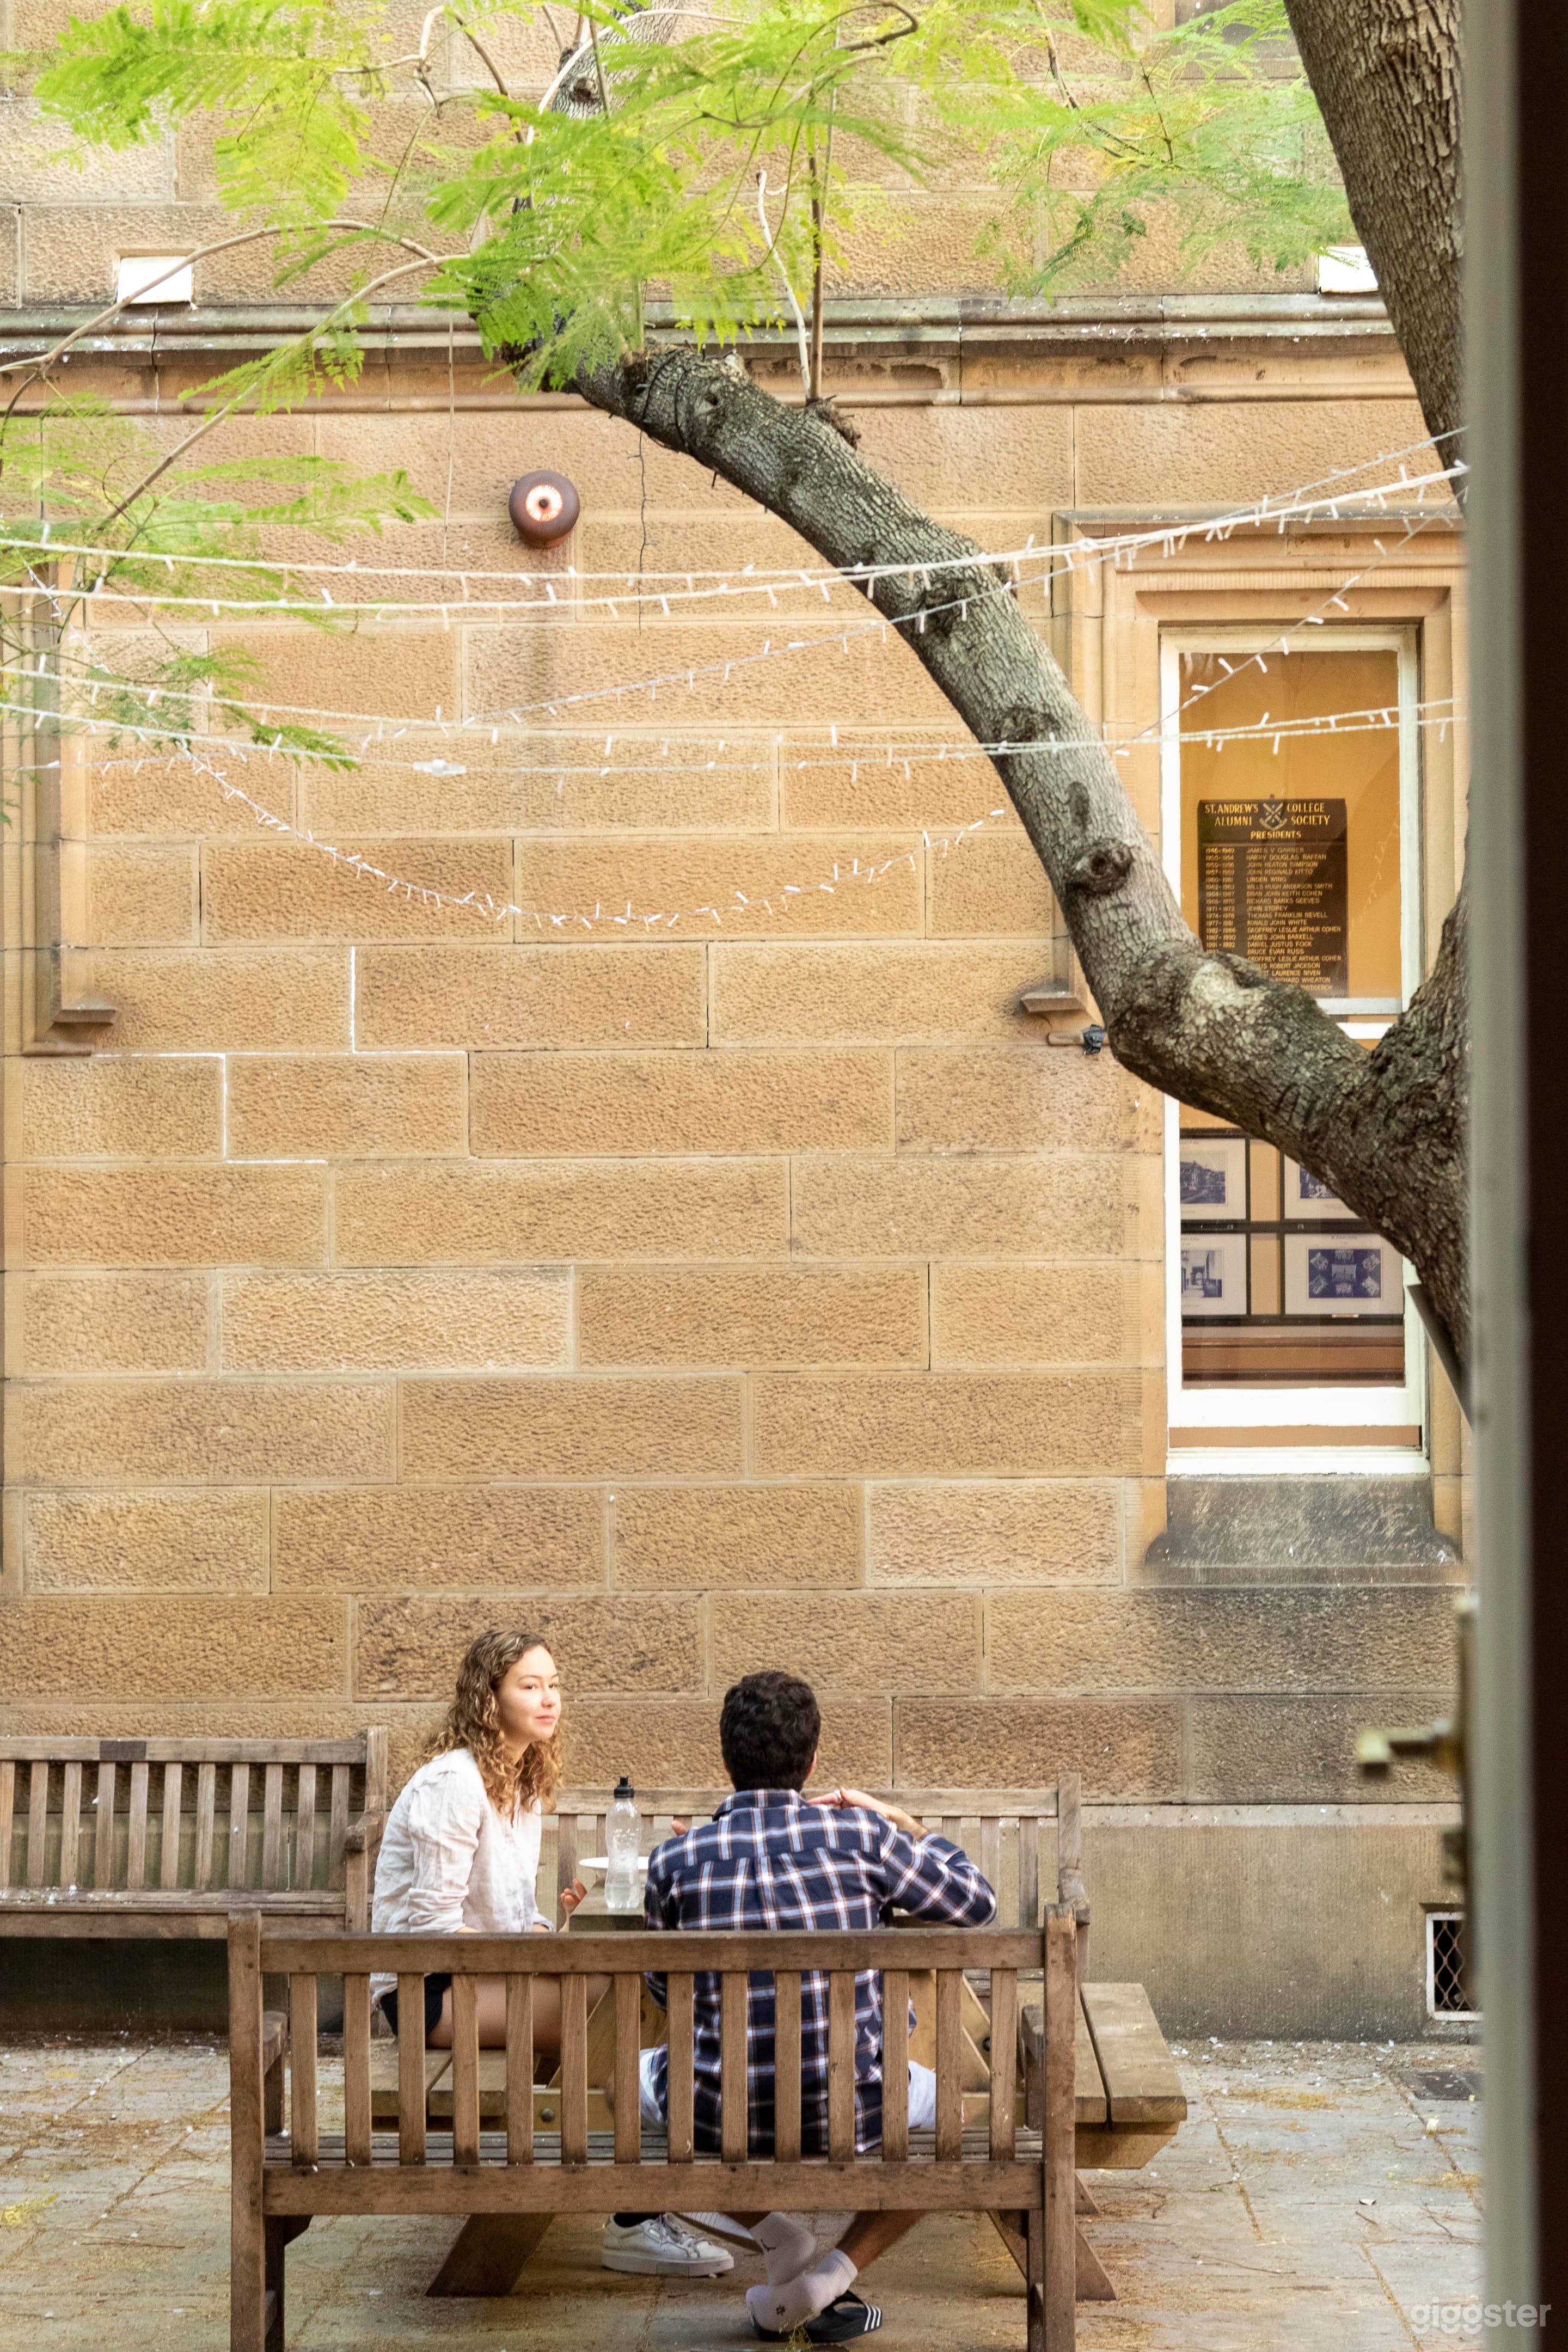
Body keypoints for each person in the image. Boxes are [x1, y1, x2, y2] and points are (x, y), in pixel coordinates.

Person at [639, 1670, 997, 2344]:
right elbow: (977, 1904)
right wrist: (910, 1826)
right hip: (859, 2108)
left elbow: (664, 1993)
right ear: (810, 1762)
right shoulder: (863, 1838)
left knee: (618, 2088)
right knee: (961, 2116)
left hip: (715, 2117)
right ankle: (829, 2276)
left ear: (727, 1760)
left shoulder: (675, 1861)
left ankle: (783, 2242)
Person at [370, 1626, 733, 2280]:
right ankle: (633, 2213)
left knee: (635, 1994)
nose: (549, 1699)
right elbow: (428, 1932)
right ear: (489, 1697)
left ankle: (643, 2186)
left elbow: (509, 1915)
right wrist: (538, 1953)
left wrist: (550, 1927)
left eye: (555, 1685)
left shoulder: (524, 1781)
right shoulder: (453, 1785)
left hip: (485, 1975)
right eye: (529, 1686)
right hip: (427, 1989)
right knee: (622, 2011)